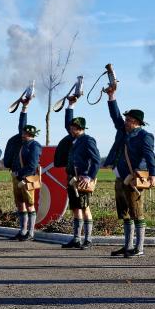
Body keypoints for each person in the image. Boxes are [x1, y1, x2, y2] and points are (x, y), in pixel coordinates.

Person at [104, 83, 155, 258]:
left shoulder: (145, 136)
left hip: (134, 178)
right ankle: (128, 246)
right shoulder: (123, 130)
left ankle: (139, 247)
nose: (125, 121)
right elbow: (114, 116)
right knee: (125, 213)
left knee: (137, 212)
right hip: (120, 178)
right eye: (125, 119)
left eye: (128, 119)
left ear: (136, 122)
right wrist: (111, 97)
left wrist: (153, 175)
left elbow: (150, 156)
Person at [61, 96, 102, 249]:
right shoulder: (74, 139)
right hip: (72, 178)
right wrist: (70, 106)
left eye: (74, 128)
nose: (71, 129)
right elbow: (67, 123)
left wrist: (90, 177)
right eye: (71, 127)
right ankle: (76, 239)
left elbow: (96, 160)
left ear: (81, 128)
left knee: (85, 208)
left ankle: (88, 239)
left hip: (83, 179)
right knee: (75, 209)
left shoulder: (87, 140)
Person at [10, 97, 42, 242]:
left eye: (25, 133)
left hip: (27, 178)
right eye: (23, 133)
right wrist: (24, 109)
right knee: (20, 204)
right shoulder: (21, 143)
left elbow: (32, 165)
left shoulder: (34, 146)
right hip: (17, 177)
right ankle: (22, 230)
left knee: (30, 205)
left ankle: (30, 232)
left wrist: (22, 176)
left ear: (31, 134)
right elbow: (21, 124)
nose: (23, 134)